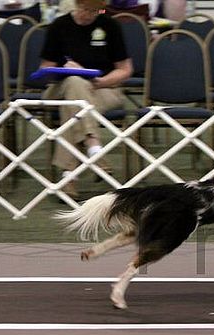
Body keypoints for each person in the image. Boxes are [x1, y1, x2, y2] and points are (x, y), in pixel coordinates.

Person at [40, 0, 133, 200]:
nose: (88, 14)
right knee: (74, 81)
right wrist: (66, 70)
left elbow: (125, 70)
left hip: (103, 88)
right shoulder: (59, 26)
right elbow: (44, 70)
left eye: (94, 11)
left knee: (73, 108)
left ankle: (68, 177)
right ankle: (94, 149)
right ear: (76, 4)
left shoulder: (110, 26)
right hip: (59, 89)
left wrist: (100, 81)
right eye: (85, 9)